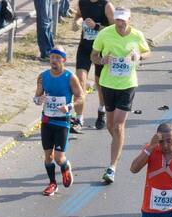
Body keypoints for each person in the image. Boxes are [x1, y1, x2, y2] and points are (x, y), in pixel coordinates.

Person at [91, 7, 150, 184]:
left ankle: (112, 168)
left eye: (123, 19)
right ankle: (118, 145)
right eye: (117, 19)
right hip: (108, 83)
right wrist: (102, 60)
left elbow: (147, 52)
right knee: (111, 125)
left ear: (129, 19)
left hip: (127, 84)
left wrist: (139, 56)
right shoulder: (104, 34)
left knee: (118, 126)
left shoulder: (137, 35)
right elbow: (94, 55)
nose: (120, 22)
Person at [34, 47, 86, 196]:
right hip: (47, 120)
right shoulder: (43, 77)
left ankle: (64, 166)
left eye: (58, 57)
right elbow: (36, 97)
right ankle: (52, 184)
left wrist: (69, 106)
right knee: (48, 156)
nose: (54, 60)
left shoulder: (70, 77)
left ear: (64, 59)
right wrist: (39, 99)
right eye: (52, 57)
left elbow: (81, 96)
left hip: (62, 121)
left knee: (58, 157)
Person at [74, 1, 113, 121]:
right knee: (80, 82)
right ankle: (79, 118)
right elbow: (79, 15)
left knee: (99, 83)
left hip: (101, 50)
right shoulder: (82, 2)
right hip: (85, 48)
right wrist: (76, 22)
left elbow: (114, 30)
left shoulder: (107, 5)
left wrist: (96, 27)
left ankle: (102, 110)